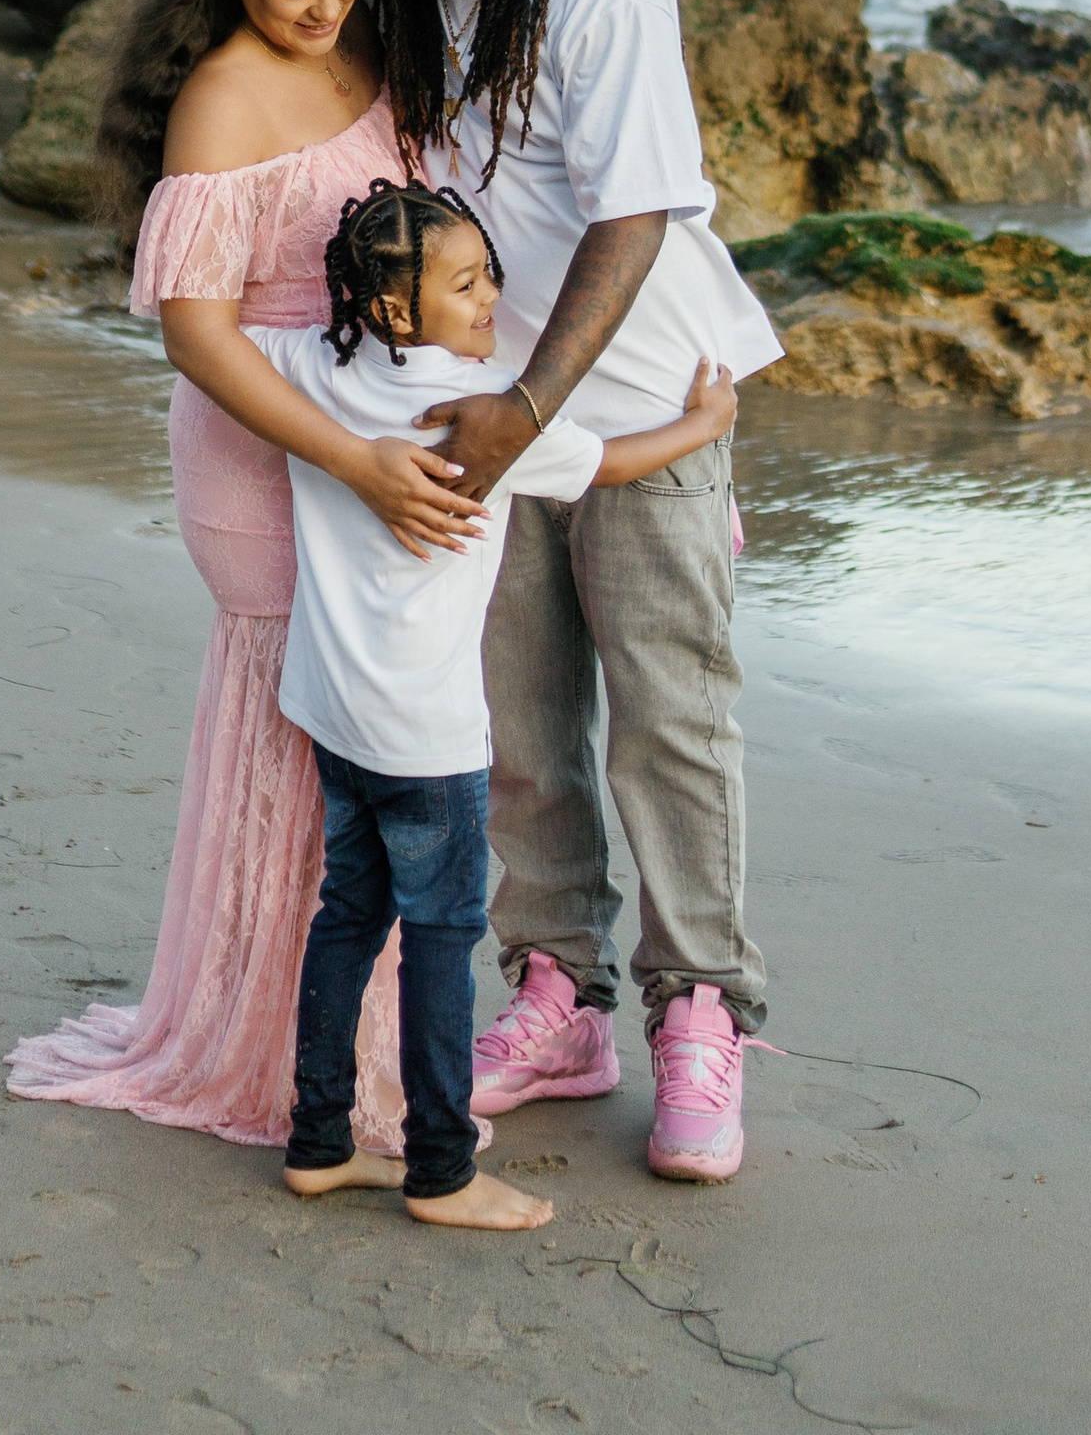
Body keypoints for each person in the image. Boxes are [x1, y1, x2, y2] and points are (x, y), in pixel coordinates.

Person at [5, 0, 475, 1151]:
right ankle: (271, 1060)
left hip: (375, 445)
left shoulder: (375, 41)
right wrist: (354, 458)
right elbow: (198, 338)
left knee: (379, 736)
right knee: (296, 747)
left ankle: (353, 1047)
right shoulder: (220, 99)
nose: (328, 11)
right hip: (268, 460)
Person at [364, 0, 785, 1183]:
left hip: (644, 394)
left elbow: (639, 212)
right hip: (489, 409)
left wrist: (533, 407)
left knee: (672, 721)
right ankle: (558, 1002)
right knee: (516, 721)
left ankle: (702, 1016)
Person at [258, 179, 738, 1228]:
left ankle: (319, 1141)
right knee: (437, 943)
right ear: (395, 307)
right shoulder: (488, 422)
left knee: (347, 920)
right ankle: (440, 1170)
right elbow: (614, 463)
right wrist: (706, 418)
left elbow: (242, 347)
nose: (492, 301)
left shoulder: (315, 369)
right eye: (469, 284)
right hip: (428, 740)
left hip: (332, 710)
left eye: (490, 276)